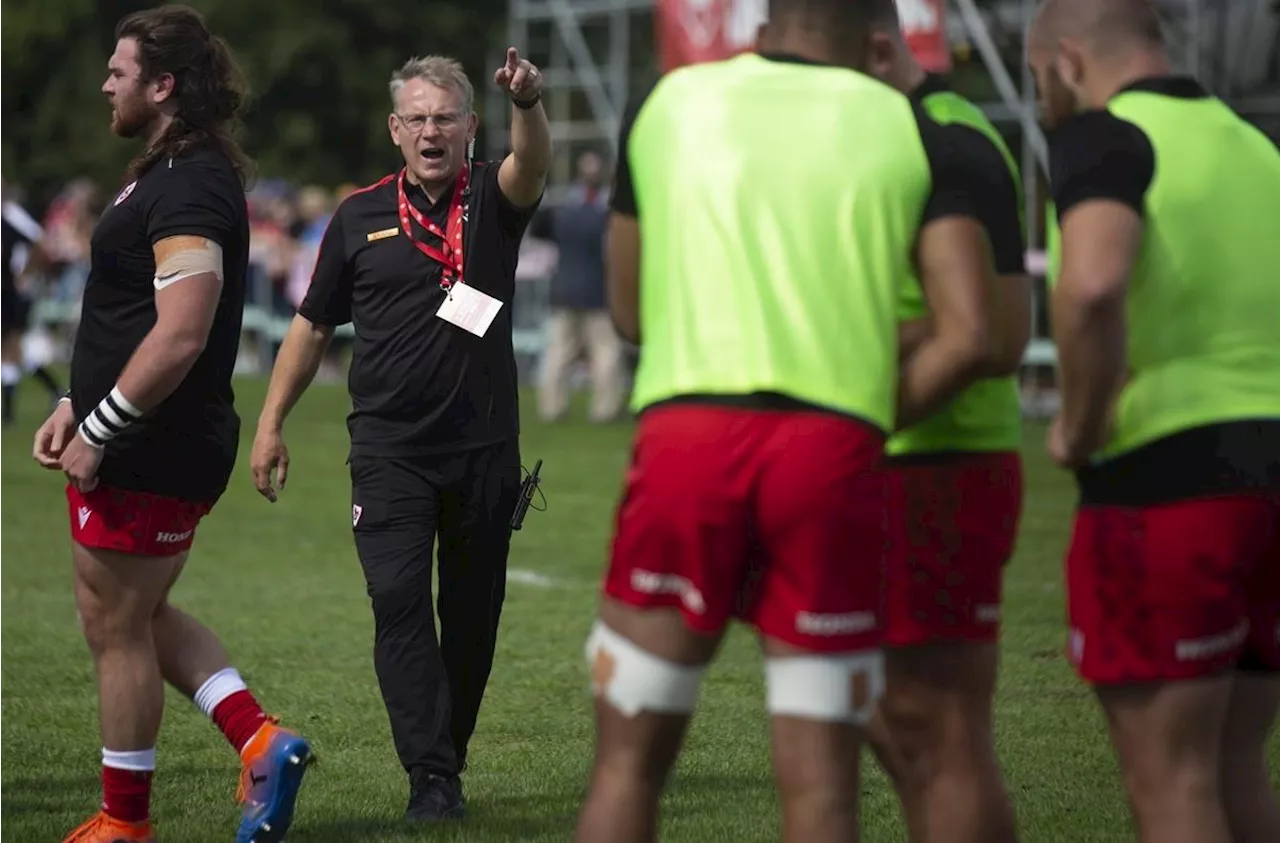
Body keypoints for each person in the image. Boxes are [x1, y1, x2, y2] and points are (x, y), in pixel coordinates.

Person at [573, 0, 1018, 840]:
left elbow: (629, 315)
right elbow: (971, 331)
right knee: (822, 794)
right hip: (833, 443)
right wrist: (858, 409)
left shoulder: (670, 103)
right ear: (877, 37)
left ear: (762, 20)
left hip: (688, 436)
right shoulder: (907, 124)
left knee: (627, 766)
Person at [30, 7, 313, 843]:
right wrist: (77, 400)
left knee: (114, 624)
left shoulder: (187, 180)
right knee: (136, 612)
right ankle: (262, 739)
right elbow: (129, 314)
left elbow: (183, 327)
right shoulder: (168, 173)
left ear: (162, 86)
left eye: (119, 71)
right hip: (145, 431)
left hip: (152, 440)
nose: (104, 84)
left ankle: (126, 825)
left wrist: (104, 423)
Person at [249, 49, 550, 821]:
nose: (430, 130)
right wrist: (272, 422)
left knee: (474, 615)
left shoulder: (492, 193)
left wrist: (530, 103)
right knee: (398, 601)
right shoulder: (357, 215)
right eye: (416, 118)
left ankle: (444, 757)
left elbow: (533, 162)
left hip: (484, 448)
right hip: (388, 450)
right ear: (395, 129)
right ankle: (431, 775)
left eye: (445, 116)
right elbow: (312, 326)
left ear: (469, 126)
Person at [1030, 1, 1280, 842]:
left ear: (1068, 61)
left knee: (1171, 781)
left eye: (1036, 80)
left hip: (1169, 479)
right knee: (1236, 765)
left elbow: (1094, 284)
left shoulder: (1106, 139)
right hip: (1271, 469)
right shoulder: (1254, 147)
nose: (1041, 101)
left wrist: (1080, 422)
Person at [861, 9, 1028, 843]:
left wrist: (856, 380)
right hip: (932, 462)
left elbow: (993, 332)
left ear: (879, 49)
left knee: (940, 735)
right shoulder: (943, 132)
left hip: (929, 460)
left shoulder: (937, 143)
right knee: (912, 725)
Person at [534, 149, 627, 423]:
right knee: (606, 354)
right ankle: (605, 409)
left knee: (557, 355)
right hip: (599, 292)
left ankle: (551, 407)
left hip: (564, 290)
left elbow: (540, 231)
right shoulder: (608, 215)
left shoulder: (562, 211)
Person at [1, 189, 56, 424]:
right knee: (14, 351)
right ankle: (55, 389)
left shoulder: (10, 217)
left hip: (7, 293)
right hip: (8, 291)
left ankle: (9, 414)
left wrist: (25, 274)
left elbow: (39, 243)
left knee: (10, 349)